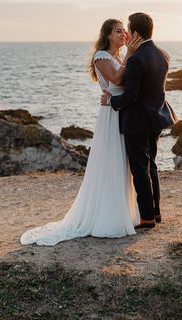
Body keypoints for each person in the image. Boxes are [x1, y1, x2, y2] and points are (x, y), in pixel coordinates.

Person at [20, 19, 143, 245]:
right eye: (118, 31)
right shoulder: (102, 56)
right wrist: (130, 53)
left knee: (121, 162)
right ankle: (107, 217)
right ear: (107, 35)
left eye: (124, 31)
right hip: (110, 115)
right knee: (110, 161)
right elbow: (116, 79)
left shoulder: (119, 56)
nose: (123, 34)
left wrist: (128, 55)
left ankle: (123, 212)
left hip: (119, 110)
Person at [101, 12, 178, 229]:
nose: (126, 32)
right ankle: (156, 212)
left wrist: (111, 100)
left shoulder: (136, 59)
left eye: (128, 29)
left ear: (135, 32)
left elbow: (130, 97)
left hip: (137, 121)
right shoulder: (163, 54)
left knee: (140, 169)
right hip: (157, 117)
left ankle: (147, 218)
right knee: (151, 164)